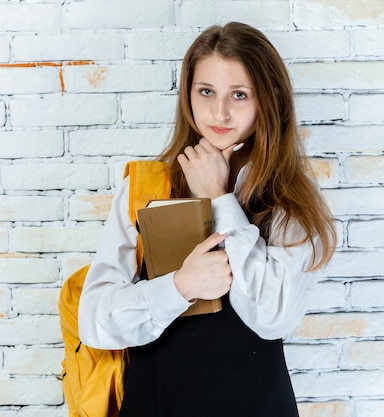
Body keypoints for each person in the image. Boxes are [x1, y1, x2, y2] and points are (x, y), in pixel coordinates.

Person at [78, 21, 337, 417]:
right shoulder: (148, 187)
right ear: (188, 95)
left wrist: (219, 199)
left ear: (268, 100)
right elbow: (95, 321)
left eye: (239, 94)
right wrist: (181, 286)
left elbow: (272, 317)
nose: (220, 112)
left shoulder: (291, 197)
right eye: (206, 92)